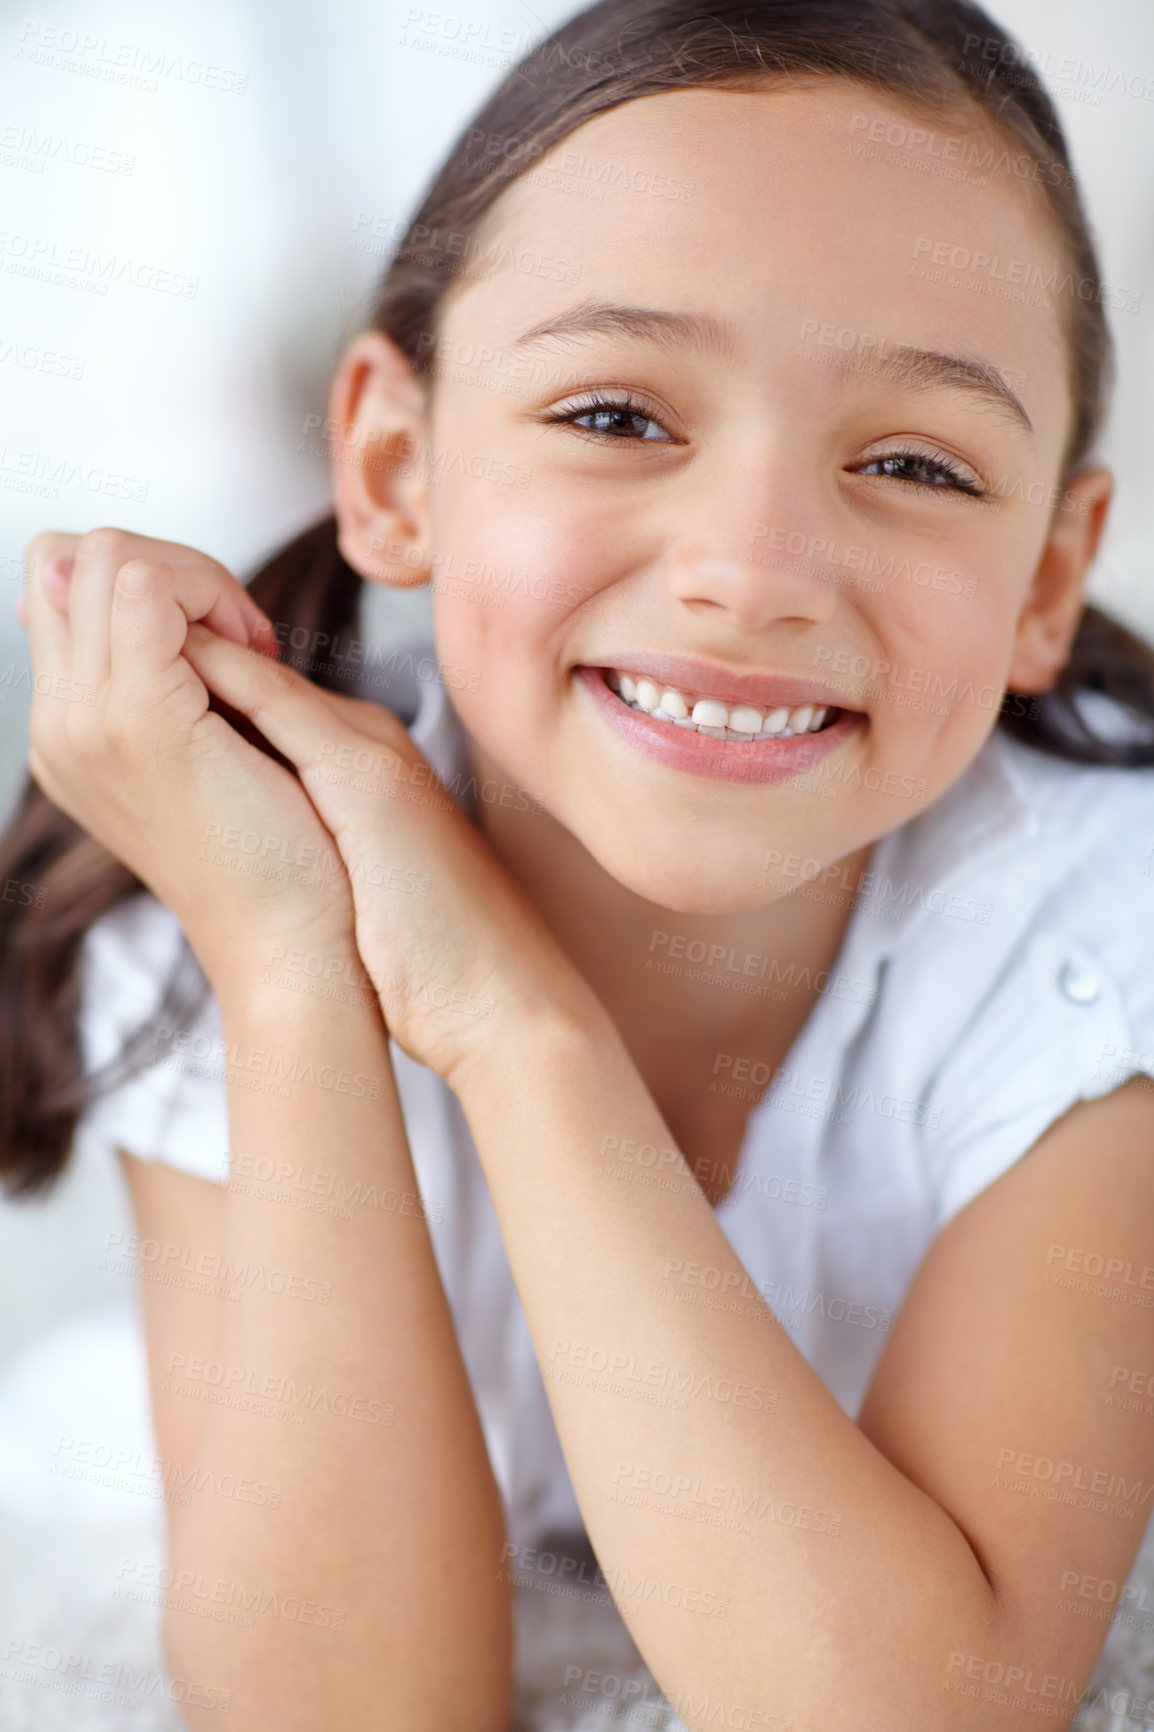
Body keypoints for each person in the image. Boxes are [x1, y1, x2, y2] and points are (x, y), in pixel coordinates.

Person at [5, 0, 1154, 1725]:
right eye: (617, 416)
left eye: (912, 461)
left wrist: (512, 1025)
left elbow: (920, 1708)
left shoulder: (1094, 939)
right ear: (396, 465)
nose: (753, 570)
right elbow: (345, 1713)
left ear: (1046, 581)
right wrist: (290, 965)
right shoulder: (227, 870)